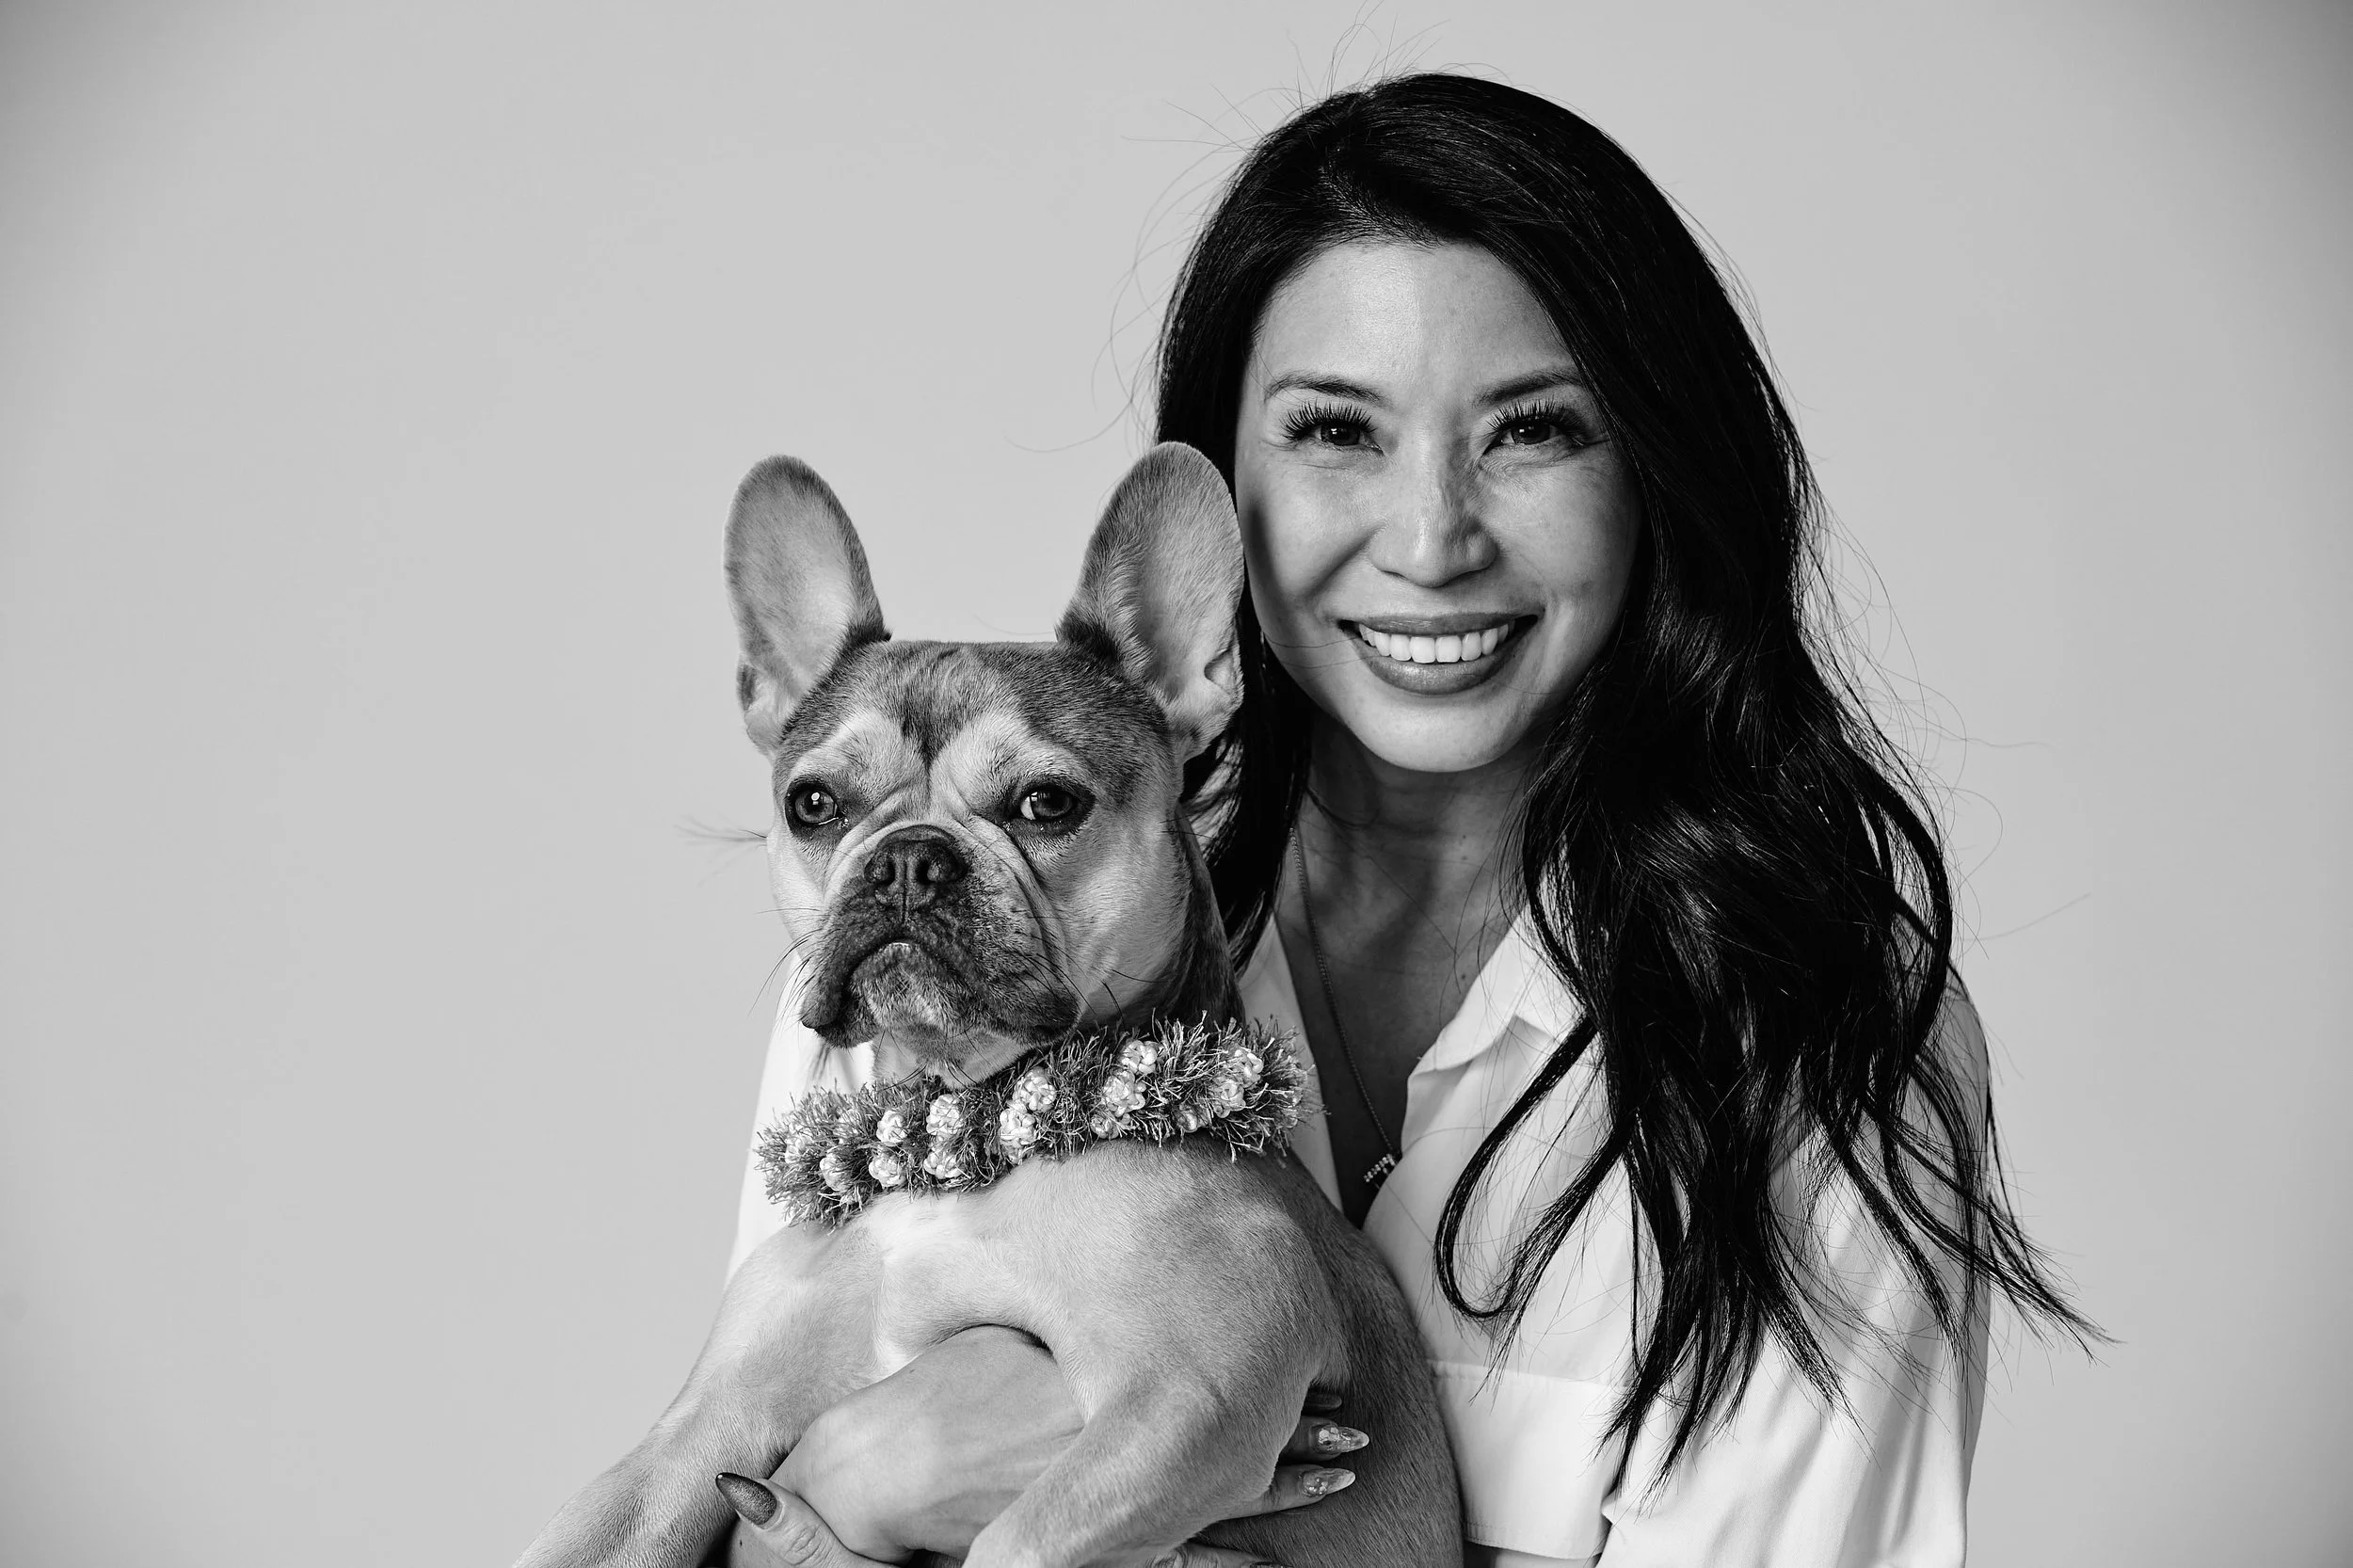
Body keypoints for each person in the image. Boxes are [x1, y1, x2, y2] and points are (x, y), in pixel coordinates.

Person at [725, 72, 2088, 1567]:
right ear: (1215, 507)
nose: (1432, 539)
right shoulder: (948, 951)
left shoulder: (1822, 1047)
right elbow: (748, 1465)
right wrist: (875, 1473)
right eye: (1337, 431)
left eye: (1532, 430)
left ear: (1655, 470)